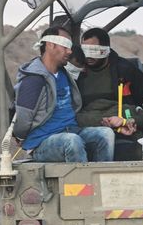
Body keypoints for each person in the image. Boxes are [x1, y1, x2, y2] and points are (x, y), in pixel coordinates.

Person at [13, 26, 114, 162]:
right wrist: (21, 137)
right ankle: (83, 182)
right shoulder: (33, 80)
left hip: (71, 130)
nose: (70, 51)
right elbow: (23, 118)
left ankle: (101, 180)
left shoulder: (64, 74)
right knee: (72, 141)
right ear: (50, 45)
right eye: (65, 46)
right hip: (43, 141)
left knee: (105, 134)